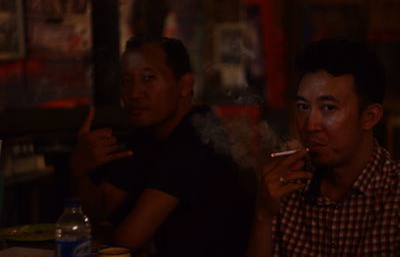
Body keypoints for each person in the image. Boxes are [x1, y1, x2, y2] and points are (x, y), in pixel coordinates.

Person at [70, 35, 255, 257]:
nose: (134, 93)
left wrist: (100, 232)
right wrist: (80, 172)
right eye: (126, 81)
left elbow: (125, 241)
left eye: (148, 78)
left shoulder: (196, 136)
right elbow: (97, 212)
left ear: (185, 85)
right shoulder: (147, 134)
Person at [246, 38, 400, 256]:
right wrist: (263, 214)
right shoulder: (287, 189)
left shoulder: (393, 196)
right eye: (303, 107)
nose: (310, 125)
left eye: (328, 108)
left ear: (369, 117)